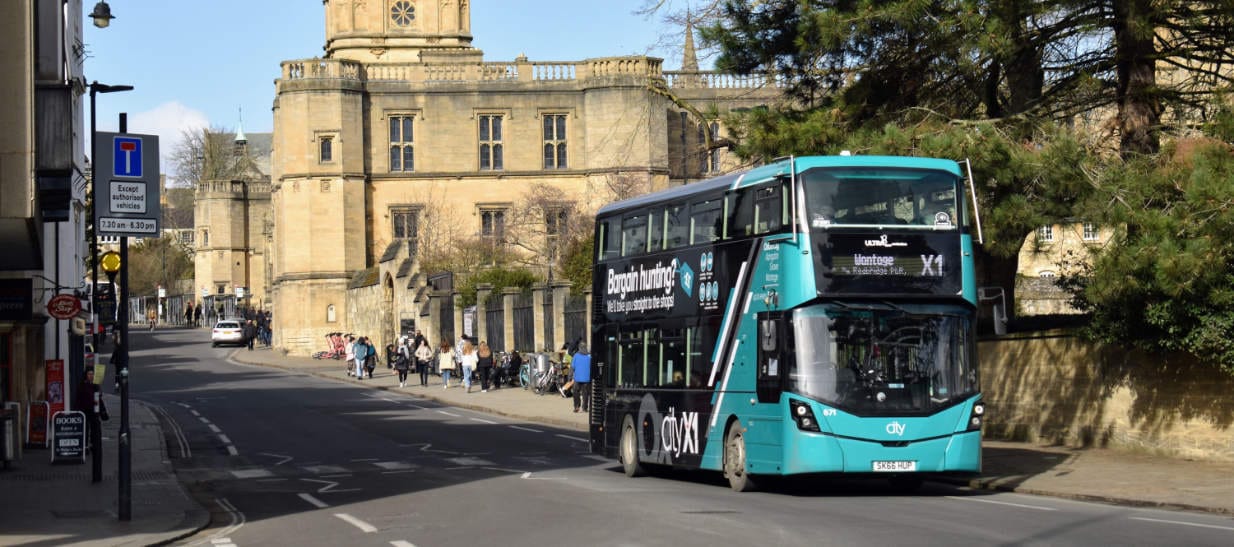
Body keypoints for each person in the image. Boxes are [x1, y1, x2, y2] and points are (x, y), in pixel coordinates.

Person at [572, 343, 592, 413]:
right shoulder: (589, 356)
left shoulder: (576, 356)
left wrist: (570, 376)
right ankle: (585, 408)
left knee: (575, 392)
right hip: (587, 378)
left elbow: (573, 367)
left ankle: (577, 406)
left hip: (577, 378)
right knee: (585, 393)